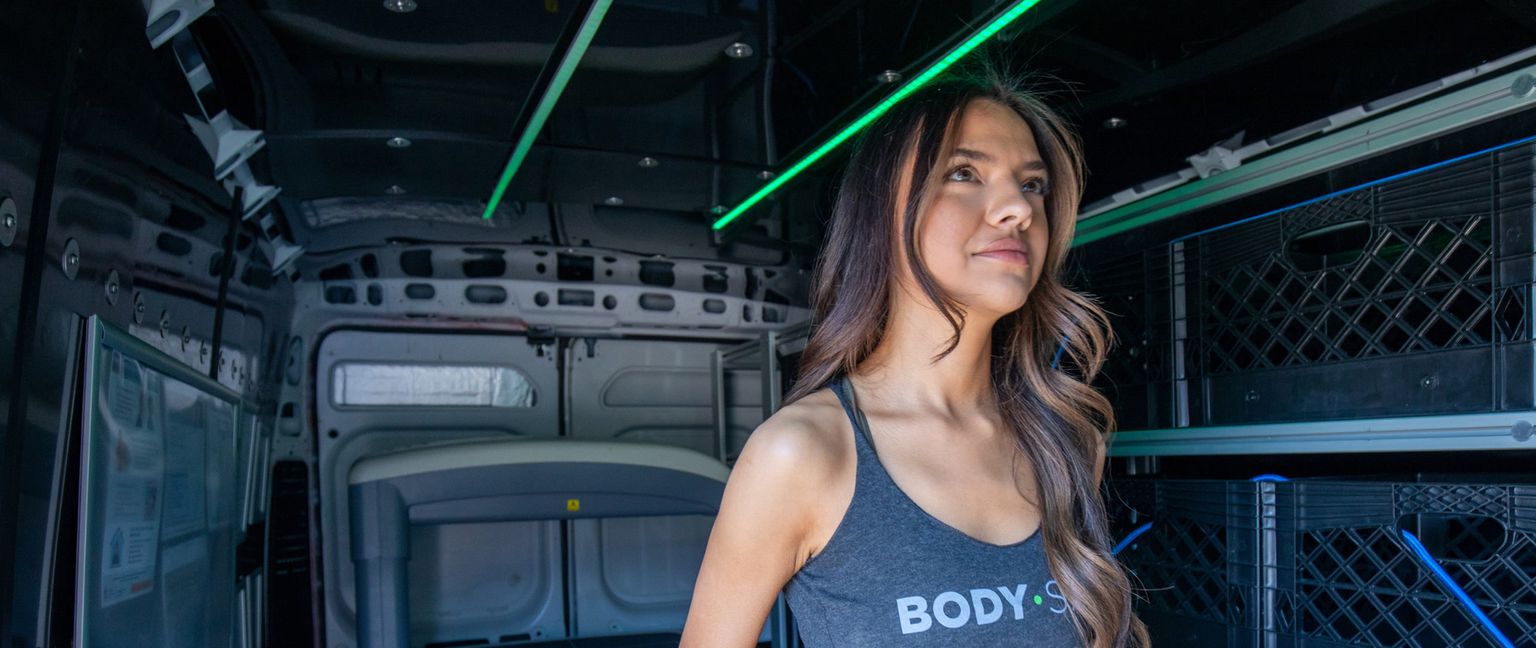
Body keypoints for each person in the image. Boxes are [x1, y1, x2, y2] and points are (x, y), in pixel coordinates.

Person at [680, 64, 1149, 647]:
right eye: (963, 172)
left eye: (1031, 185)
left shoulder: (1067, 441)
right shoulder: (802, 453)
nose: (1019, 210)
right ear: (881, 213)